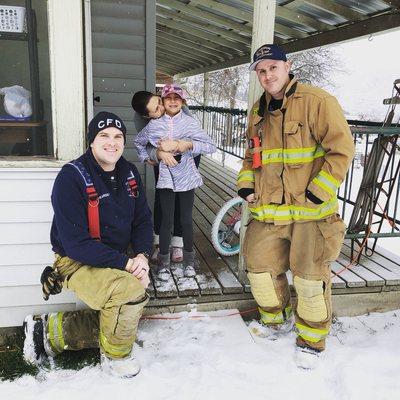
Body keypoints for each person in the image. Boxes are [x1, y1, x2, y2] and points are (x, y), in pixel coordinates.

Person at [237, 44, 355, 368]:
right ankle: (276, 322)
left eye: (272, 67)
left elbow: (342, 151)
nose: (267, 76)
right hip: (269, 213)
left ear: (287, 67)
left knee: (309, 279)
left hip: (311, 215)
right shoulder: (258, 113)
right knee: (259, 270)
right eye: (261, 71)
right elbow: (252, 156)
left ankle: (311, 339)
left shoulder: (318, 102)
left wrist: (320, 191)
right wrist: (246, 183)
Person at [23, 111, 153, 378]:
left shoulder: (129, 173)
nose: (112, 142)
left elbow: (143, 220)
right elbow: (76, 244)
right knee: (129, 291)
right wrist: (127, 265)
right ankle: (116, 356)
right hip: (74, 260)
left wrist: (142, 256)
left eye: (118, 136)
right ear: (91, 141)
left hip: (114, 257)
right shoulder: (71, 178)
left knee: (131, 297)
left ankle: (48, 331)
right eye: (103, 136)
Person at [134, 84, 216, 279]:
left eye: (176, 98)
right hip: (165, 176)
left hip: (186, 171)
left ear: (183, 101)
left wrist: (185, 145)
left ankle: (187, 257)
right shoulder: (151, 124)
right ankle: (163, 262)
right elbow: (139, 143)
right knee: (166, 217)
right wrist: (151, 155)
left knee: (186, 217)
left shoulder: (188, 121)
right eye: (166, 100)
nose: (170, 103)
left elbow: (209, 144)